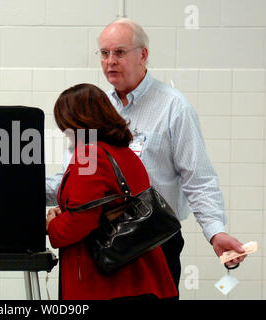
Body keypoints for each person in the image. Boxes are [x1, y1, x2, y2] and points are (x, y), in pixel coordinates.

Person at [46, 18, 246, 295]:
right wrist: (22, 187)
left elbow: (198, 179)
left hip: (154, 239)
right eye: (104, 53)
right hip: (102, 243)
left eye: (119, 52)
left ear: (143, 54)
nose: (110, 61)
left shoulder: (173, 106)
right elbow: (76, 184)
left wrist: (215, 231)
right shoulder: (98, 106)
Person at [46, 83, 178, 300]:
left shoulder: (90, 155)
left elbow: (79, 222)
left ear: (76, 122)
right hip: (139, 279)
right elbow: (99, 207)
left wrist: (53, 225)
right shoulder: (124, 153)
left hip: (106, 285)